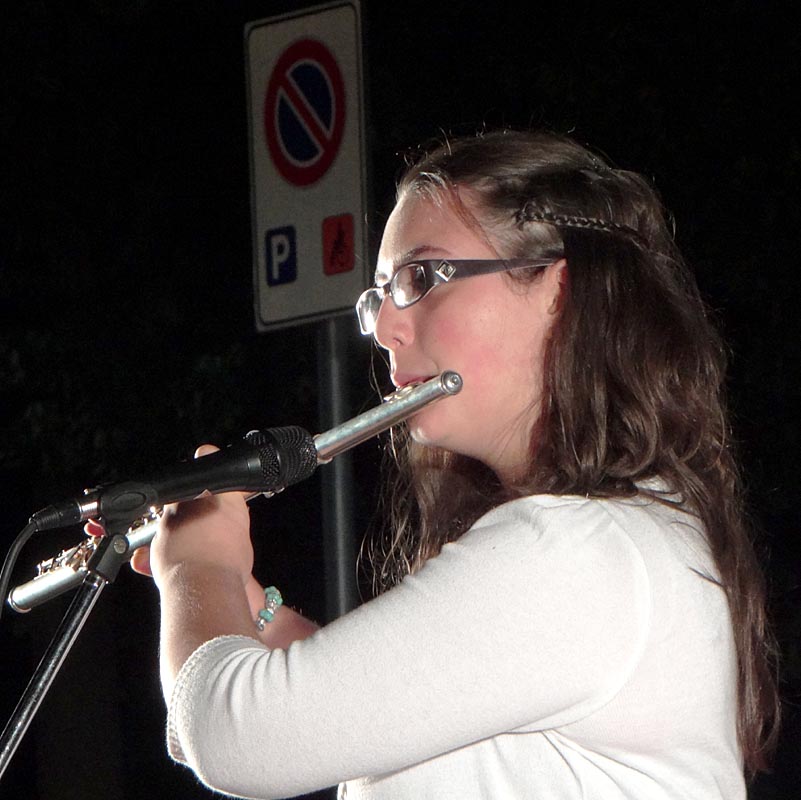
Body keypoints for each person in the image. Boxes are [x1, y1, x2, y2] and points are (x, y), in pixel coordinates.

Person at [131, 129, 780, 799]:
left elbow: (237, 739)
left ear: (559, 289)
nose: (385, 328)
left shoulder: (582, 551)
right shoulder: (608, 545)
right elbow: (360, 717)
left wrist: (197, 567)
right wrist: (242, 605)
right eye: (380, 295)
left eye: (420, 278)